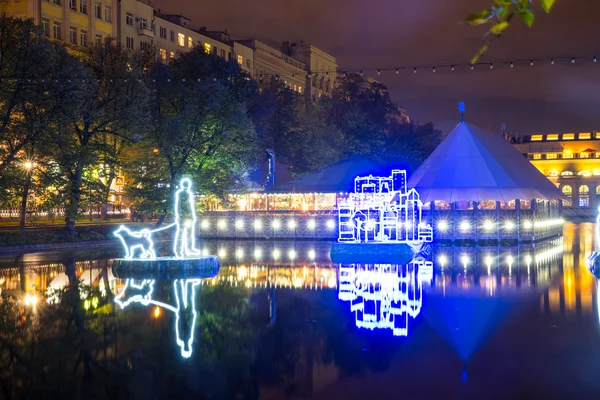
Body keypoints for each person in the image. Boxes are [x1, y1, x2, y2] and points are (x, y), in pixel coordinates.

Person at [173, 178, 200, 258]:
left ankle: (187, 249)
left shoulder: (188, 193)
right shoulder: (181, 193)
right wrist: (178, 215)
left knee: (188, 234)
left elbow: (191, 206)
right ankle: (179, 251)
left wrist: (193, 215)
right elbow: (178, 205)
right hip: (183, 217)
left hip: (188, 217)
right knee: (181, 234)